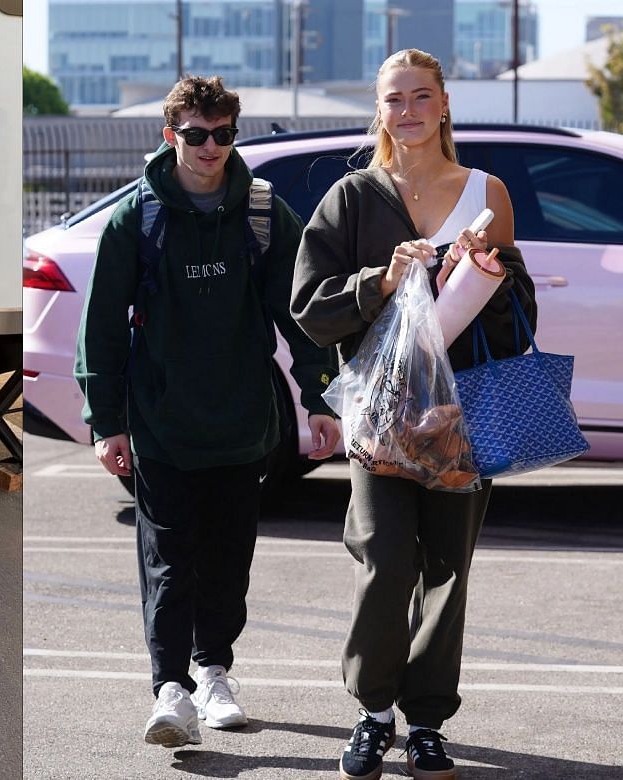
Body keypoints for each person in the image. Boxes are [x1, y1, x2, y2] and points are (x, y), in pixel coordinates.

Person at [291, 49, 537, 780]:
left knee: (449, 571)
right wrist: (384, 278)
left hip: (463, 413)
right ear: (381, 110)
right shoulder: (354, 197)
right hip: (379, 418)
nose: (408, 111)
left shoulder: (486, 191)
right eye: (395, 99)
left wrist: (487, 268)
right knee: (383, 561)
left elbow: (520, 311)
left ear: (444, 104)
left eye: (421, 96)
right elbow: (309, 307)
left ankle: (427, 721)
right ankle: (373, 714)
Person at [74, 75, 340, 748]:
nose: (210, 147)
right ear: (171, 136)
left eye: (223, 134)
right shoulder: (137, 219)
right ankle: (170, 690)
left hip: (243, 424)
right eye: (196, 134)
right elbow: (101, 327)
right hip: (162, 425)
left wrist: (319, 397)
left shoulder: (261, 213)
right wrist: (107, 423)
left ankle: (214, 672)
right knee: (167, 558)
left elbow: (300, 313)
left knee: (229, 558)